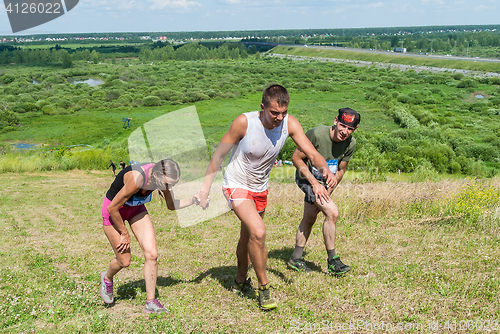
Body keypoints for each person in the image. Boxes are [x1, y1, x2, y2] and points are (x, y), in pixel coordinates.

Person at [197, 84, 335, 310]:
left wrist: (325, 169)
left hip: (259, 188)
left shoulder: (290, 123)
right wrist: (204, 190)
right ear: (262, 107)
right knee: (259, 231)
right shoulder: (245, 123)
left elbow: (311, 153)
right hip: (236, 183)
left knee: (248, 236)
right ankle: (264, 289)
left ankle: (240, 280)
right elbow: (219, 155)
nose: (279, 118)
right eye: (274, 113)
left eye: (283, 112)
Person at [100, 159, 199, 314]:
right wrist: (124, 233)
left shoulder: (162, 179)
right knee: (124, 261)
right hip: (114, 212)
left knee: (152, 254)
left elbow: (171, 204)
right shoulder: (137, 179)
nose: (169, 188)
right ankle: (107, 278)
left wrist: (194, 200)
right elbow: (113, 208)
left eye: (172, 184)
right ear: (156, 176)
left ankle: (151, 302)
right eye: (167, 184)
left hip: (136, 210)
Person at [288, 108, 360, 275]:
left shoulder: (351, 143)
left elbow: (341, 169)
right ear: (336, 121)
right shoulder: (316, 134)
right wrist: (314, 183)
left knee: (310, 217)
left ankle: (295, 258)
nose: (345, 132)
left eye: (350, 129)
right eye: (342, 126)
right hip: (306, 178)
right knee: (332, 212)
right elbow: (296, 158)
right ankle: (333, 261)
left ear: (354, 129)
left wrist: (334, 182)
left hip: (324, 182)